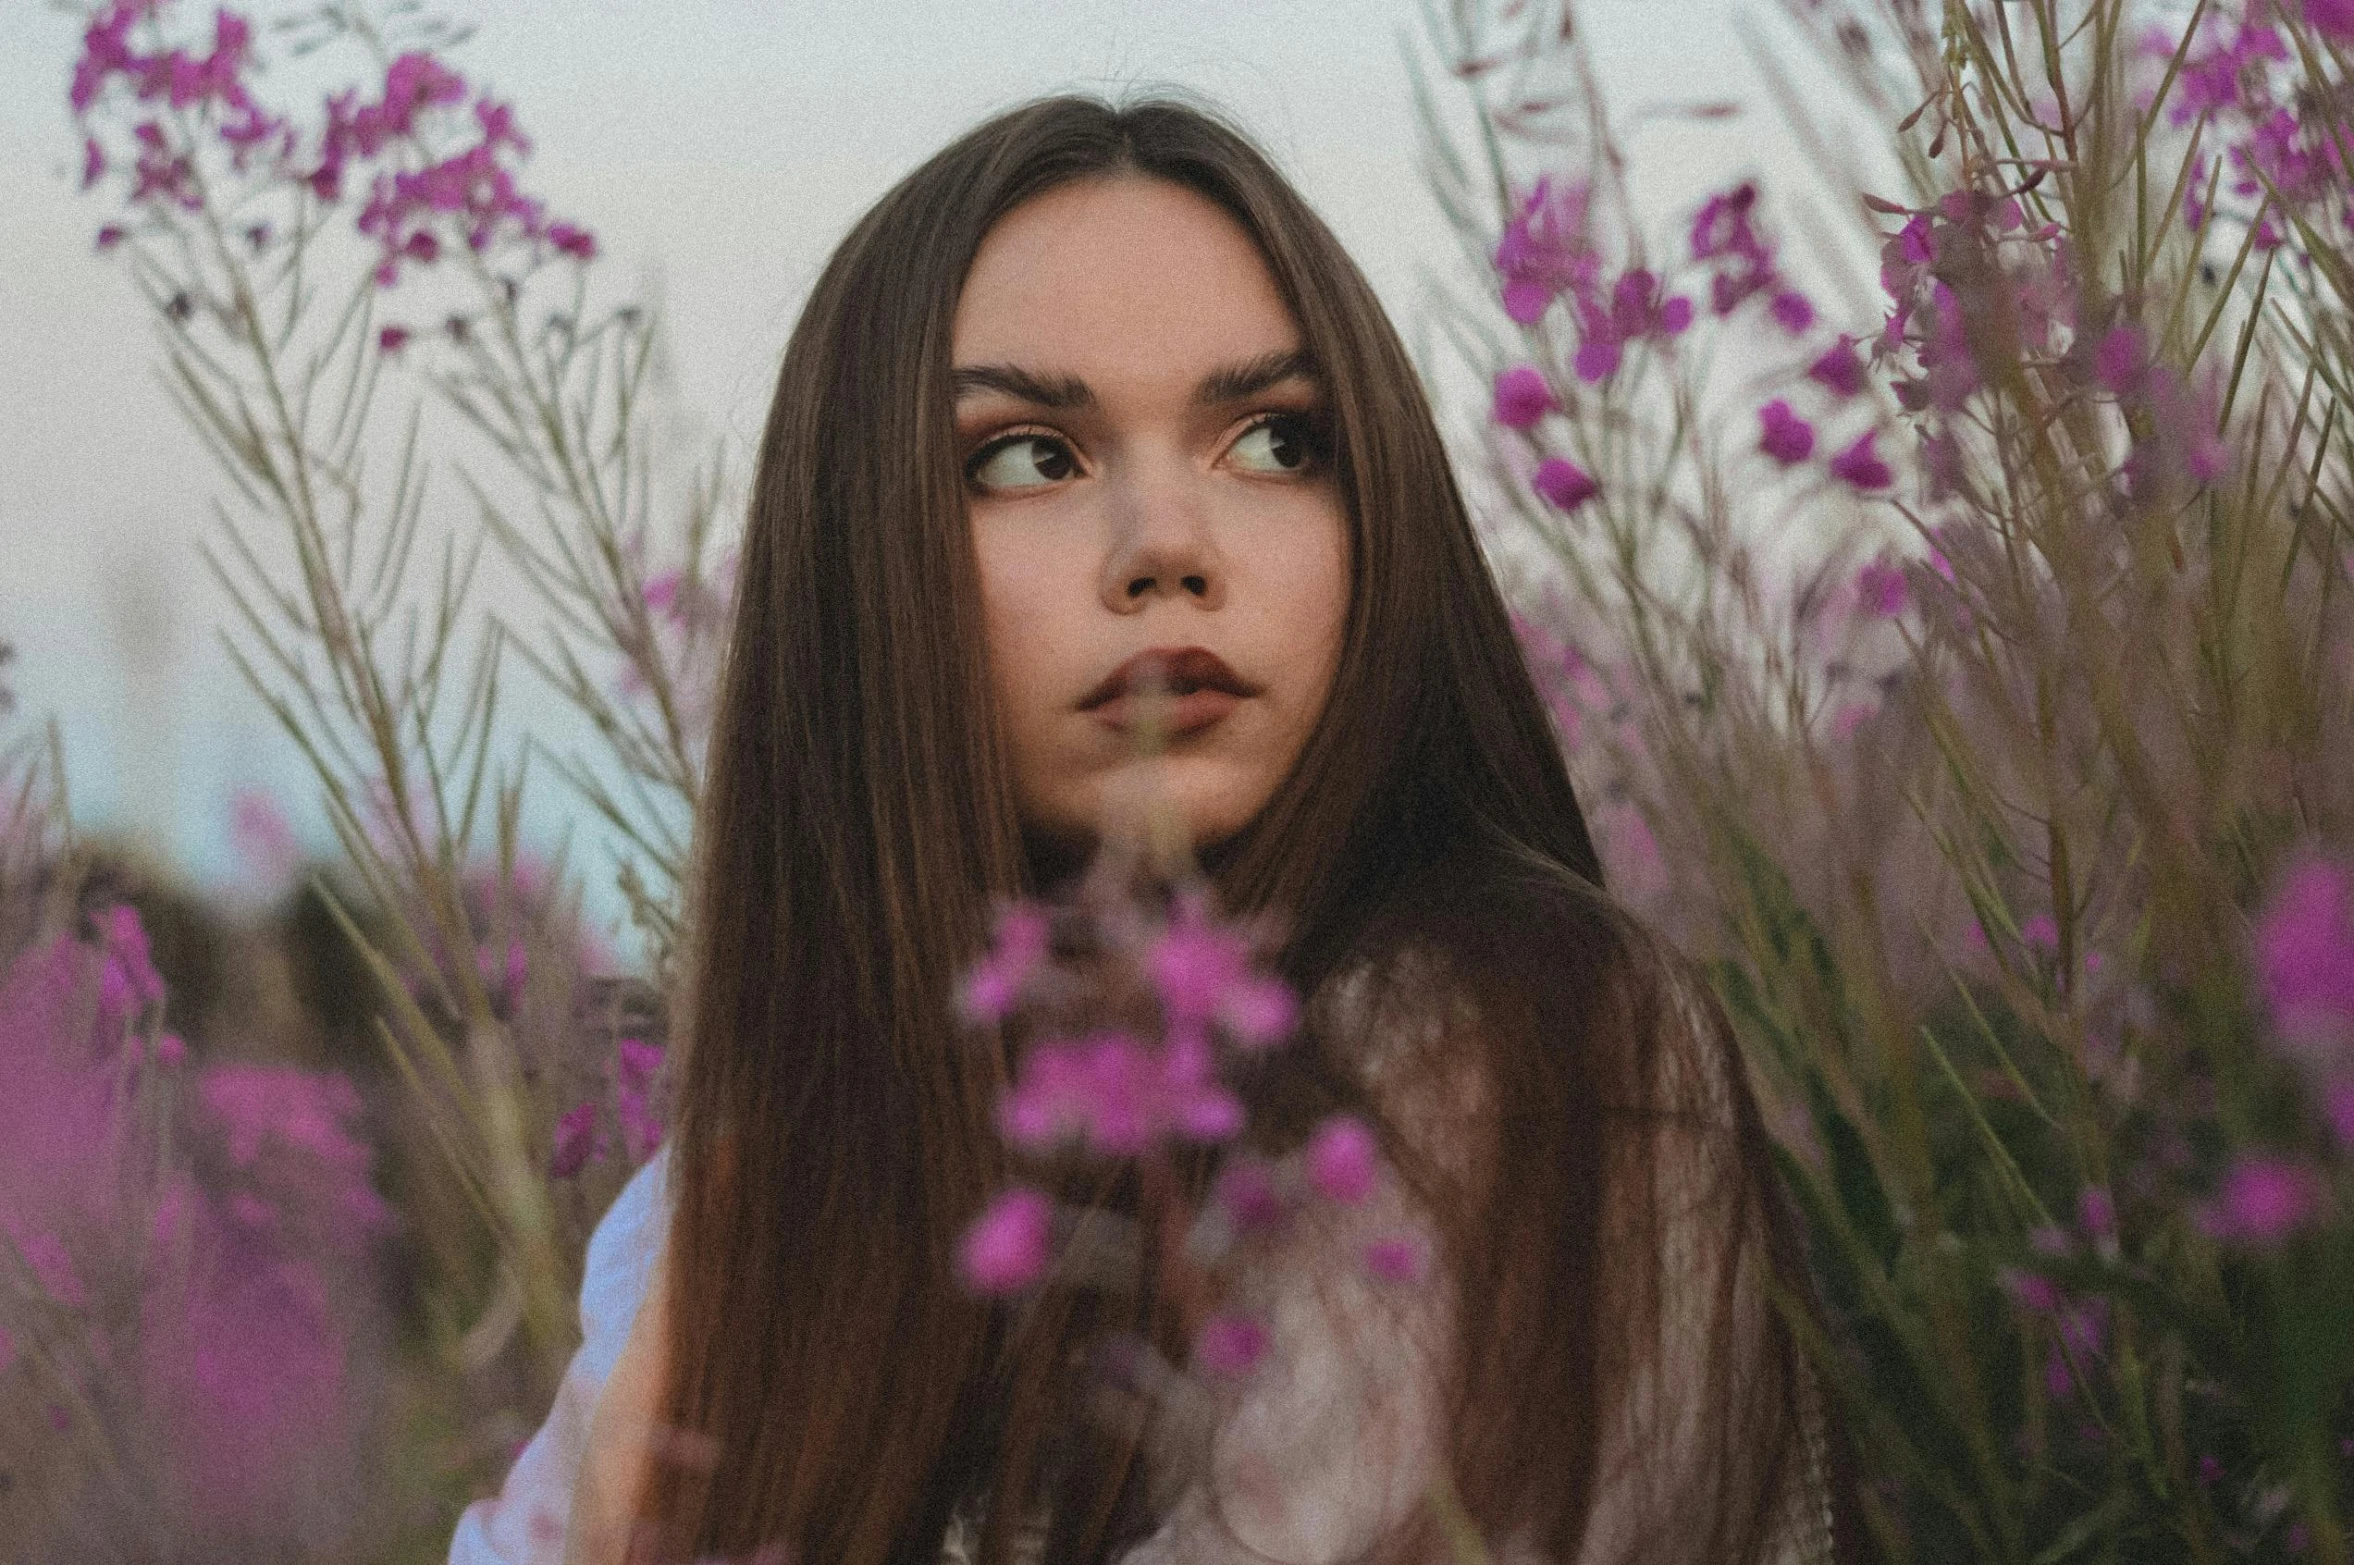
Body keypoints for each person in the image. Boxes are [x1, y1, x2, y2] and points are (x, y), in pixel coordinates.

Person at [449, 91, 1859, 1565]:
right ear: (860, 571)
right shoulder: (737, 1197)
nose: (1167, 546)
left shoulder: (1521, 1047)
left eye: (1271, 440)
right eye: (1025, 459)